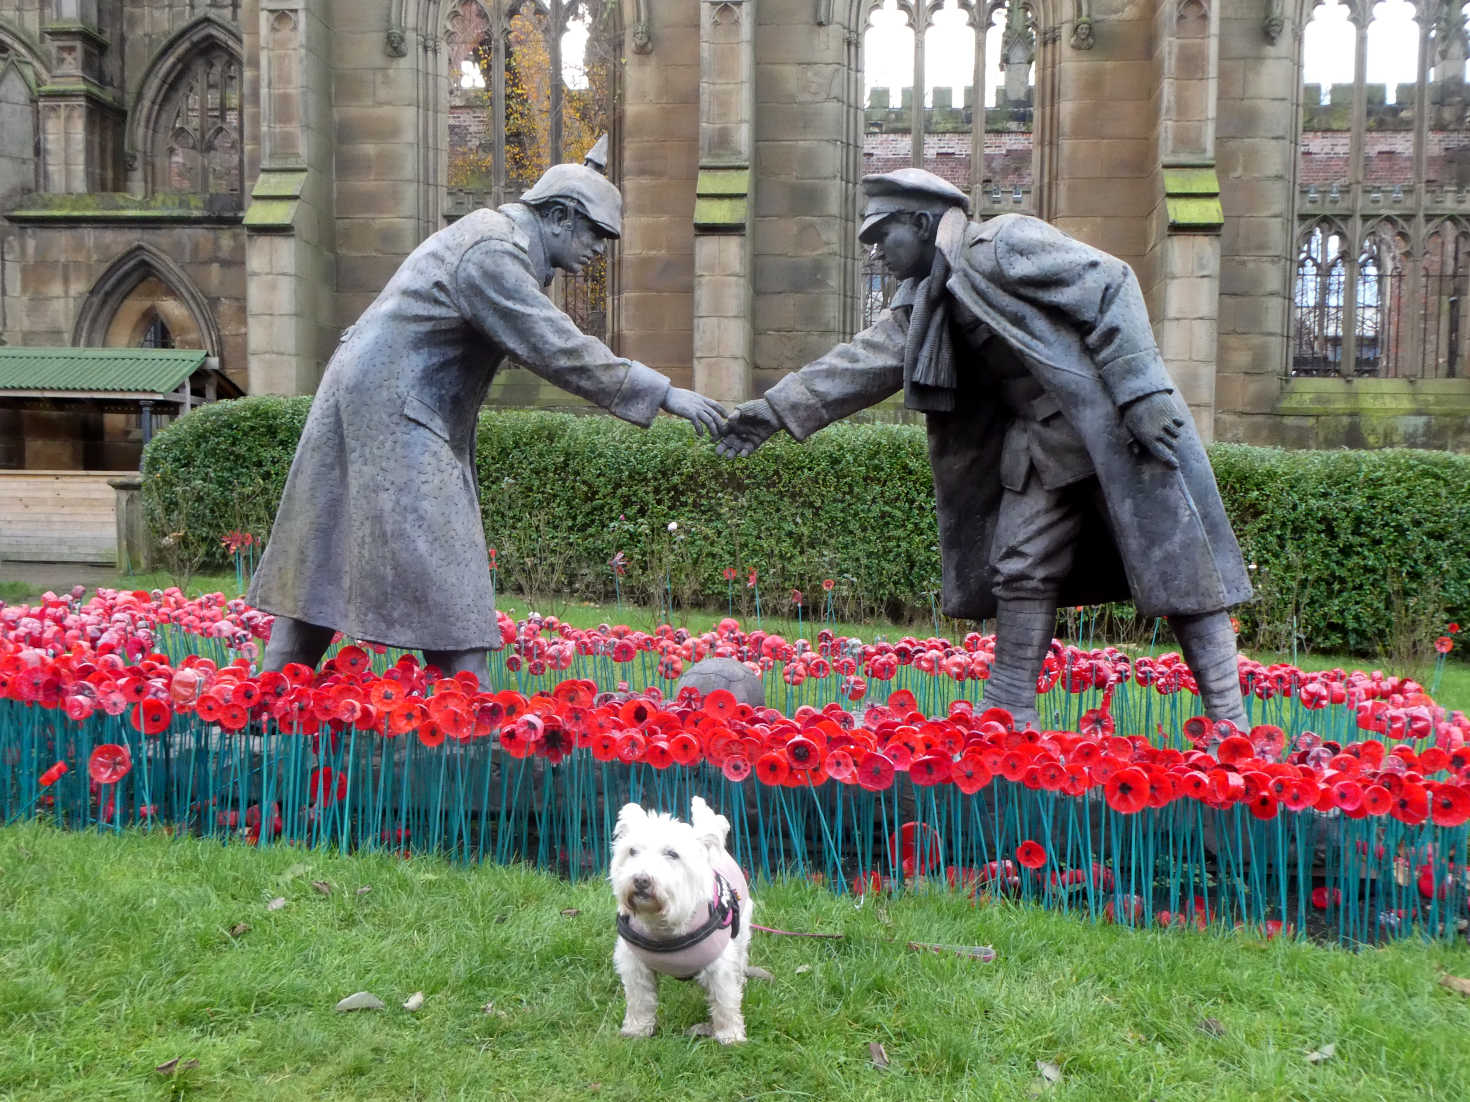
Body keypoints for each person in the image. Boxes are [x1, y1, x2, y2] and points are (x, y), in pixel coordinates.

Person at [717, 168, 1252, 731]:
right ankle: (1009, 713)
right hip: (1041, 444)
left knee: (1179, 570)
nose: (878, 254)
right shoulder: (925, 298)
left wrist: (1142, 390)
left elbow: (1112, 281)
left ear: (922, 223)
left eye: (884, 236)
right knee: (1019, 566)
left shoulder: (1003, 244)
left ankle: (1230, 724)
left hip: (1115, 430)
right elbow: (860, 363)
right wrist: (774, 411)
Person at [249, 163, 726, 685]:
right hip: (397, 409)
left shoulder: (492, 238)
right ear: (560, 216)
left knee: (324, 548)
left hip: (370, 400)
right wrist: (663, 393)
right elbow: (554, 345)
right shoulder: (492, 252)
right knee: (453, 570)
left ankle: (270, 698)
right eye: (595, 233)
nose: (600, 249)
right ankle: (468, 719)